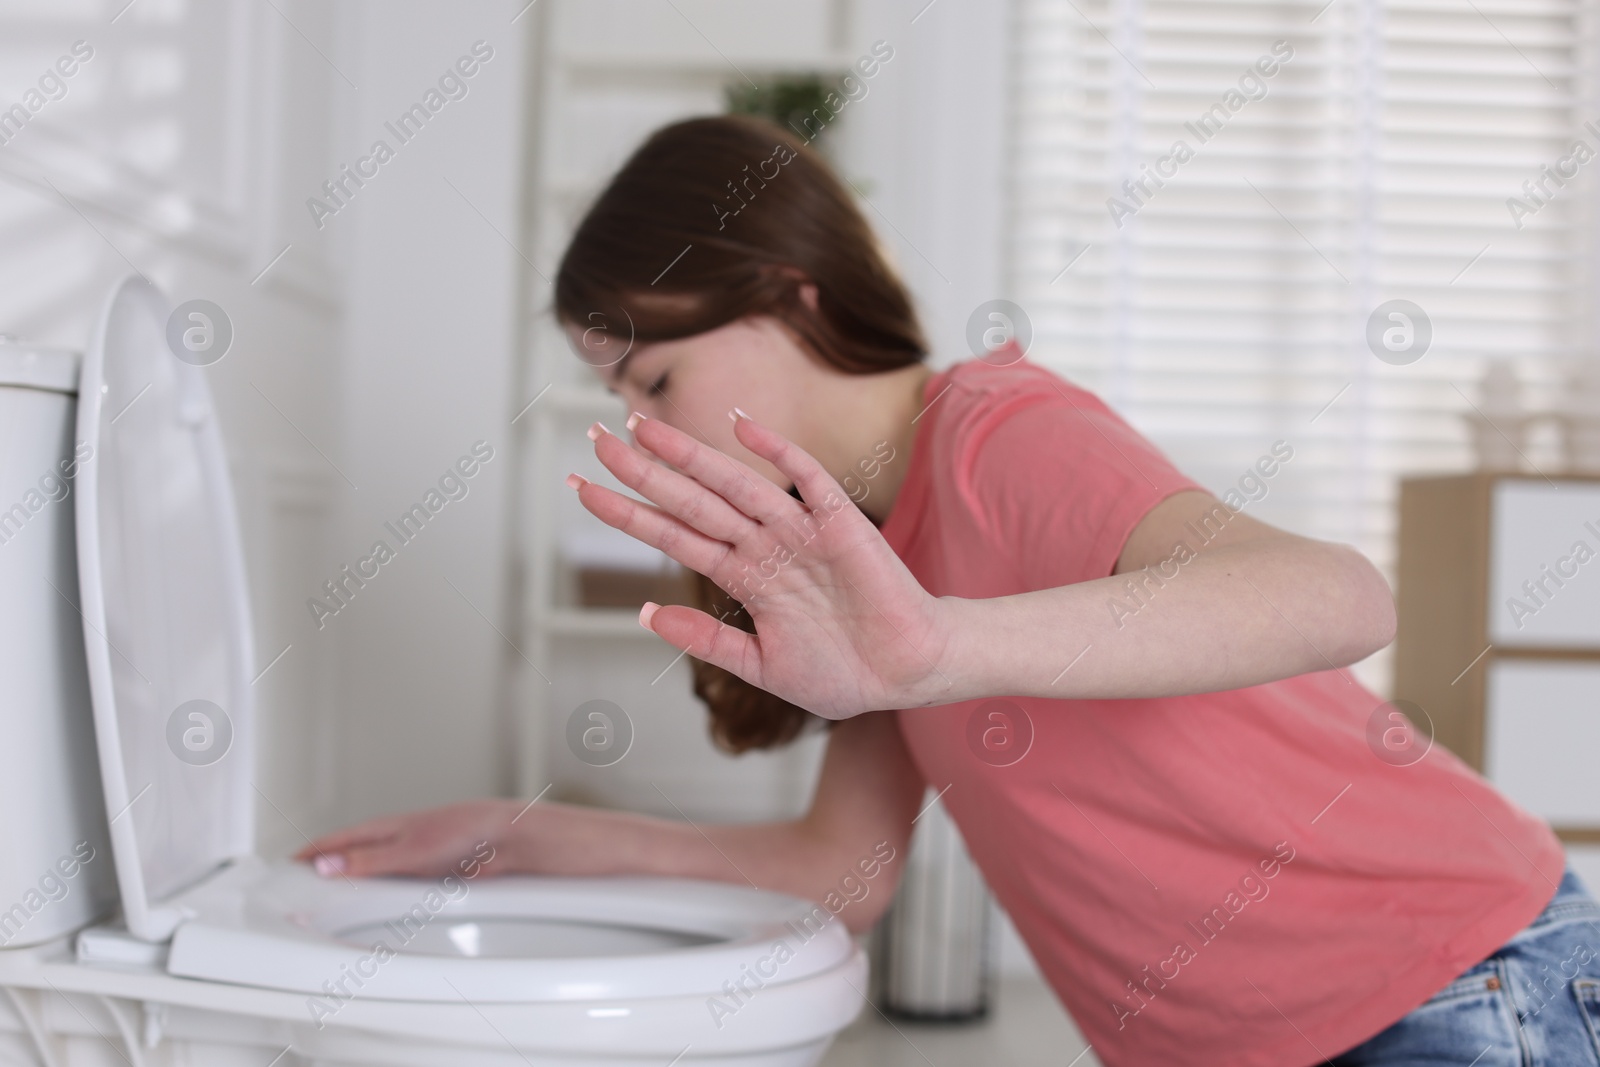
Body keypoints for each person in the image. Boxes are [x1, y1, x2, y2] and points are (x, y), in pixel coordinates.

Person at [299, 115, 1600, 1066]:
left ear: (788, 298)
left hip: (1459, 982)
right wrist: (515, 839)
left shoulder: (999, 437)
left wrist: (937, 648)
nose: (642, 431)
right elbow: (840, 873)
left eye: (651, 383)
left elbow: (1340, 597)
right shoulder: (866, 561)